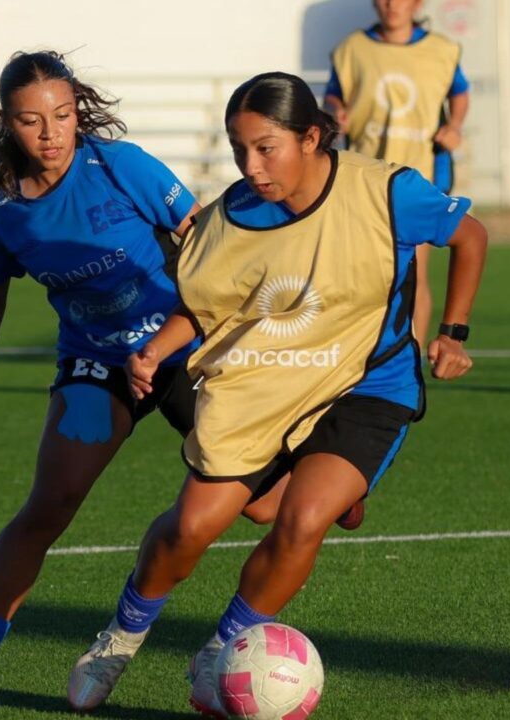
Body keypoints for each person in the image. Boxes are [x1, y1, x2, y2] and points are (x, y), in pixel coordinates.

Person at [66, 71, 488, 715]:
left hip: (367, 383)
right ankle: (119, 640)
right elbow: (203, 309)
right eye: (239, 149)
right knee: (191, 528)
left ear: (312, 137)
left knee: (300, 520)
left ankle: (223, 651)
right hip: (268, 382)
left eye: (267, 147)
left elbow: (470, 236)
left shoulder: (387, 192)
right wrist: (155, 348)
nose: (251, 165)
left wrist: (453, 332)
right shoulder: (230, 218)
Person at [0, 50, 223, 695]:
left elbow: (205, 245)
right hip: (96, 364)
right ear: (8, 123)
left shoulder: (121, 165)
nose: (51, 133)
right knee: (47, 506)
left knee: (264, 505)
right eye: (32, 121)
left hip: (181, 348)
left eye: (62, 115)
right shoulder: (2, 212)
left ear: (77, 109)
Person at [325, 0, 472, 348]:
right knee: (362, 276)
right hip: (364, 180)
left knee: (414, 275)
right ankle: (359, 356)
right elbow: (334, 96)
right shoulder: (352, 49)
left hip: (420, 178)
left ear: (417, 3)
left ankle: (412, 360)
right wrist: (335, 112)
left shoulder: (442, 50)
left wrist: (454, 126)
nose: (392, 6)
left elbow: (460, 92)